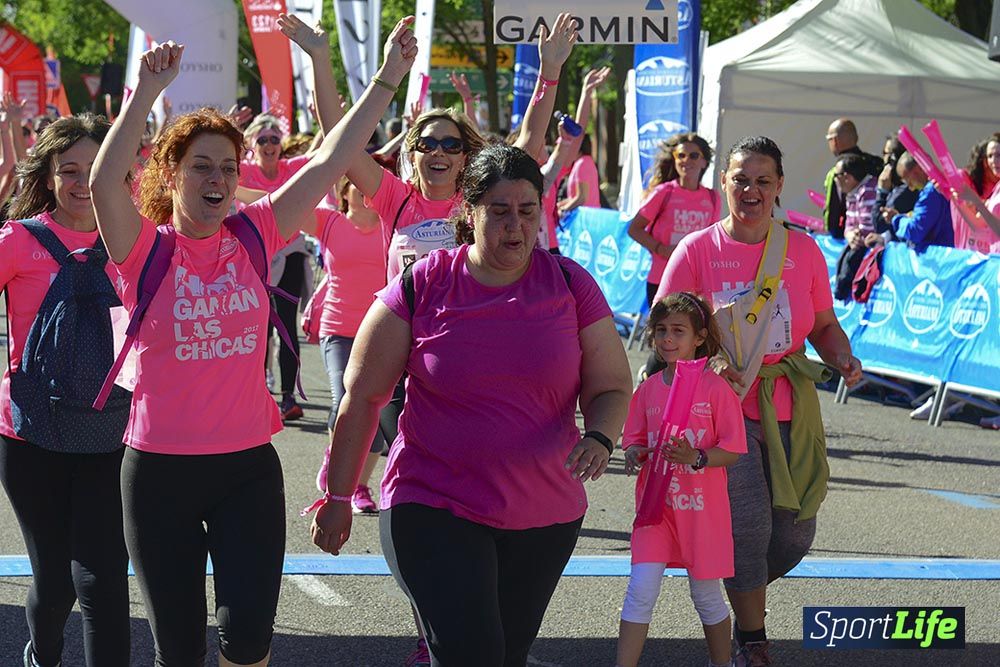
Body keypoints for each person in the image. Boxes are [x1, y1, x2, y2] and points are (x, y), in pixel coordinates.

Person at [88, 16, 417, 667]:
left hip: (246, 471)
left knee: (249, 640)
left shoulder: (253, 233)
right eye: (201, 165)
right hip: (157, 474)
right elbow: (102, 184)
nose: (217, 177)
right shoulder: (144, 251)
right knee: (178, 650)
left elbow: (329, 159)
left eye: (227, 167)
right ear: (170, 174)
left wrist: (387, 78)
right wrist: (146, 95)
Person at [308, 143, 632, 667]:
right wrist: (340, 495)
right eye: (499, 211)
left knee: (505, 655)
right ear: (470, 211)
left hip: (544, 513)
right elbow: (362, 397)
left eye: (527, 211)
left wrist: (599, 435)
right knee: (470, 654)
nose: (515, 226)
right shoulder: (422, 285)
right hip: (433, 502)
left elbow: (613, 385)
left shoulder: (570, 284)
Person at [655, 136, 863, 666]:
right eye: (740, 180)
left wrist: (842, 356)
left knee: (794, 533)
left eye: (762, 182)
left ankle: (730, 578)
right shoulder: (697, 251)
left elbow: (822, 324)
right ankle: (753, 639)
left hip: (789, 403)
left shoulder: (804, 250)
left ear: (778, 188)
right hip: (721, 410)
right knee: (748, 527)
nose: (750, 191)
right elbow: (667, 331)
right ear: (723, 183)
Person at [0, 114, 131, 667]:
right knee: (54, 583)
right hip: (31, 435)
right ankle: (43, 656)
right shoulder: (17, 239)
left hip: (112, 433)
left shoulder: (136, 239)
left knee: (103, 581)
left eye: (95, 169)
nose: (82, 182)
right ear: (49, 176)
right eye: (69, 170)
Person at [616, 292, 745, 667]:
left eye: (678, 331)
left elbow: (733, 450)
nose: (667, 339)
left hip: (702, 514)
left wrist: (697, 457)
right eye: (660, 331)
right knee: (640, 589)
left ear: (700, 337)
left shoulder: (716, 390)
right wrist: (634, 454)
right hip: (655, 512)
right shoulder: (648, 389)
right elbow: (635, 440)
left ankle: (722, 662)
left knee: (705, 596)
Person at [312, 170, 389, 514]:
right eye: (356, 187)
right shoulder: (328, 222)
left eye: (369, 186)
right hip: (338, 329)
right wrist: (233, 185)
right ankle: (338, 459)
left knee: (377, 414)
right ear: (344, 193)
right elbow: (274, 205)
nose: (364, 192)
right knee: (345, 400)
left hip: (380, 331)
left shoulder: (392, 225)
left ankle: (358, 484)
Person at [238, 113, 314, 420]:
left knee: (286, 328)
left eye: (274, 139)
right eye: (262, 139)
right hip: (254, 256)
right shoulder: (242, 171)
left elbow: (322, 155)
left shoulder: (290, 168)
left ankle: (287, 398)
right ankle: (254, 393)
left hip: (290, 253)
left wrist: (325, 119)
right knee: (258, 329)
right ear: (251, 145)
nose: (269, 144)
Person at [627, 133, 720, 308]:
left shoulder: (713, 198)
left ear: (704, 162)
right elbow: (634, 229)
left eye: (694, 155)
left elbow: (710, 240)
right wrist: (660, 249)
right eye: (681, 155)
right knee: (662, 334)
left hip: (696, 283)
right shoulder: (664, 193)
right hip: (662, 279)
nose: (686, 160)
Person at [866, 152, 954, 252]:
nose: (911, 188)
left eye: (910, 181)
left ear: (918, 170)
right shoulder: (940, 184)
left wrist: (895, 219)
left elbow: (915, 230)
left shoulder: (931, 192)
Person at [822, 118, 881, 239]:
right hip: (880, 237)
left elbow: (832, 215)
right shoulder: (877, 163)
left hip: (851, 238)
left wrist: (837, 234)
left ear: (835, 141)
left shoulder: (836, 172)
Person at [832, 154, 878, 301]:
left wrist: (855, 236)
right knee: (842, 260)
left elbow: (869, 228)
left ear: (847, 177)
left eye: (836, 176)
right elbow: (849, 225)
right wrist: (850, 235)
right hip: (858, 241)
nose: (834, 180)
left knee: (851, 261)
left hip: (870, 244)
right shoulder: (852, 193)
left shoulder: (869, 190)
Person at [870, 134, 918, 237]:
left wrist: (882, 191)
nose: (883, 158)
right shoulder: (897, 188)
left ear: (892, 159)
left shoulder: (904, 191)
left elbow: (878, 224)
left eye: (885, 153)